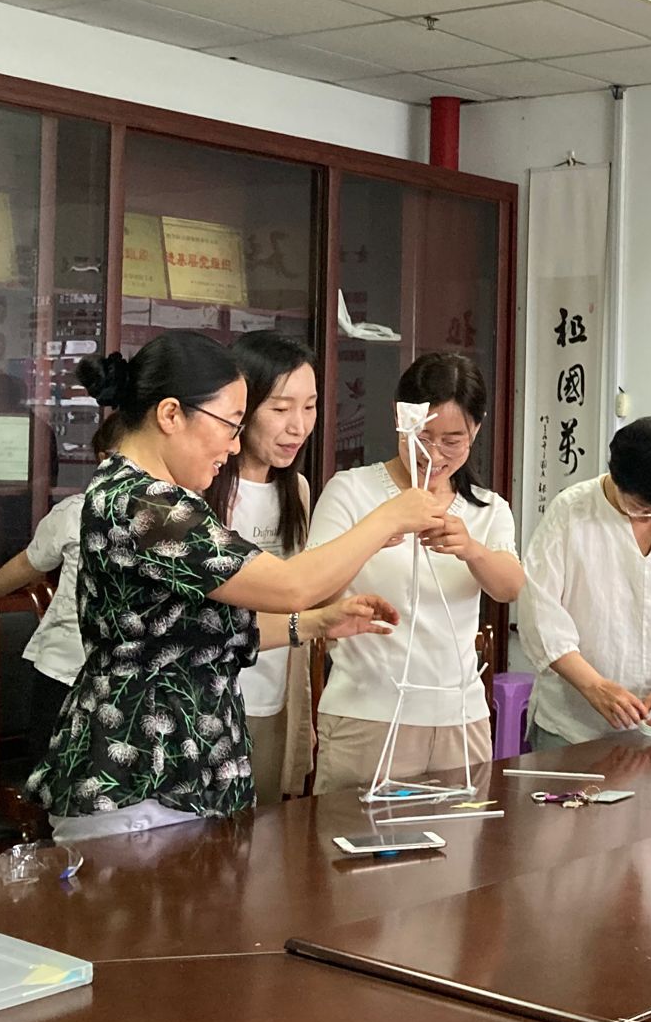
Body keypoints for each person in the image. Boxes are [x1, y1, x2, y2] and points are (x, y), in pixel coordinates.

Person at [28, 333, 440, 842]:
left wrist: (318, 622)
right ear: (171, 414)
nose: (234, 445)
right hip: (141, 773)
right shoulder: (145, 506)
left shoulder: (144, 496)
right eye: (229, 425)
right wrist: (387, 518)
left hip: (177, 770)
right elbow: (291, 585)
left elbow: (196, 633)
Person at [307, 352, 525, 796]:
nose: (433, 455)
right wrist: (375, 533)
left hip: (460, 718)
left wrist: (472, 550)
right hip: (368, 714)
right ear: (399, 419)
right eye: (421, 437)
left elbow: (509, 587)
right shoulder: (352, 490)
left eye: (452, 441)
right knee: (355, 836)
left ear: (476, 430)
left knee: (459, 838)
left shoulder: (488, 508)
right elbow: (312, 588)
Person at [0, 415, 125, 756]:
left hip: (130, 676)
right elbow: (27, 564)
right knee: (52, 765)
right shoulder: (76, 512)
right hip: (65, 667)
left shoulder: (175, 518)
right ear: (103, 459)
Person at [519, 417, 651, 750]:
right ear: (616, 478)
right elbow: (540, 617)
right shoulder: (571, 512)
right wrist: (594, 687)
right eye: (642, 508)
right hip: (573, 726)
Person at [204, 331, 318, 803]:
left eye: (309, 407)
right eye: (281, 408)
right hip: (211, 699)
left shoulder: (298, 492)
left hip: (275, 696)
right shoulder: (203, 491)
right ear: (241, 408)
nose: (298, 426)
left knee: (268, 830)